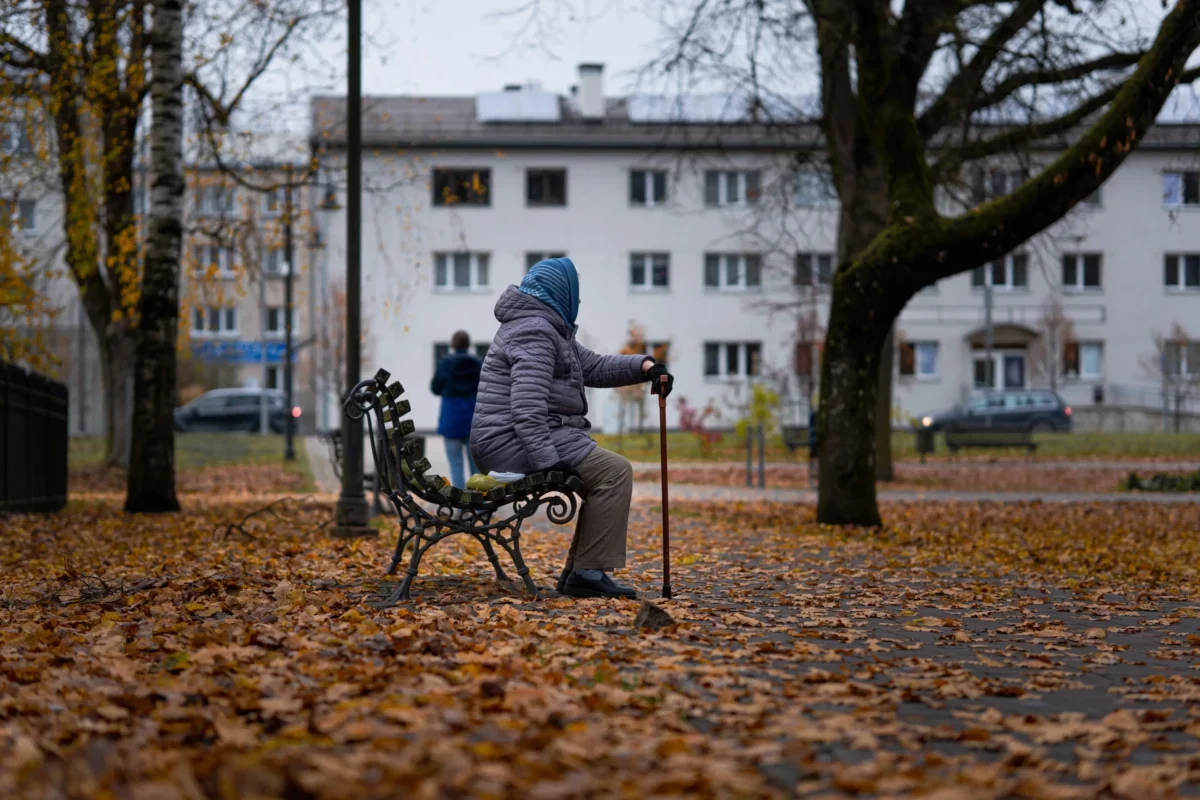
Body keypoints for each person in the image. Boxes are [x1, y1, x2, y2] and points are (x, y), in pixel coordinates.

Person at [470, 257, 674, 600]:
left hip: (524, 436)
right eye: (575, 296)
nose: (577, 304)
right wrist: (548, 461)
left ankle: (581, 571)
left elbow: (593, 366)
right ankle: (586, 573)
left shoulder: (545, 328)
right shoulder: (534, 330)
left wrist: (645, 366)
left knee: (608, 471)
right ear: (561, 294)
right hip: (512, 441)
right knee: (614, 471)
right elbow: (526, 408)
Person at [431, 330, 482, 489]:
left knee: (456, 464)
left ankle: (461, 505)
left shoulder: (445, 363)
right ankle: (478, 503)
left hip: (451, 419)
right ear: (468, 344)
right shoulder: (478, 363)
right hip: (473, 419)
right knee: (475, 466)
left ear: (453, 344)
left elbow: (435, 388)